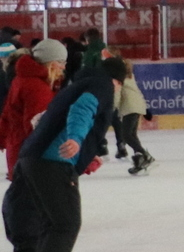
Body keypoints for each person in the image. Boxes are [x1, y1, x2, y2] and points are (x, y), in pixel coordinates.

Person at [2, 57, 115, 252]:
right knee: (62, 224)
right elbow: (78, 111)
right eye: (60, 62)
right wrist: (75, 140)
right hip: (47, 161)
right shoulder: (40, 88)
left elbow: (35, 123)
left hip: (27, 158)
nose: (64, 67)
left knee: (34, 227)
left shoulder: (53, 87)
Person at [0, 41, 60, 179]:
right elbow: (39, 130)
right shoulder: (36, 87)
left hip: (19, 153)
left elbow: (8, 115)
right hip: (31, 161)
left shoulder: (21, 80)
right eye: (61, 62)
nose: (64, 67)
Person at [108, 57, 152, 175]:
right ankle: (140, 159)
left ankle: (144, 155)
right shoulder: (130, 77)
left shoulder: (118, 79)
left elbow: (117, 95)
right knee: (132, 134)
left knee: (125, 134)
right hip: (136, 107)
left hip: (130, 108)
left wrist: (112, 108)